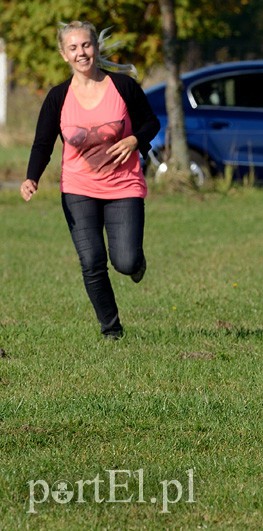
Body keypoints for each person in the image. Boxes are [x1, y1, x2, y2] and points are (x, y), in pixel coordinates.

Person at [19, 21, 160, 340]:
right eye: (73, 48)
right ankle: (112, 330)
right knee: (92, 260)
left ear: (95, 47)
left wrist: (135, 140)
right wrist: (32, 178)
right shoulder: (58, 97)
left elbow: (151, 123)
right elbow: (43, 142)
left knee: (124, 261)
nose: (81, 52)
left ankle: (136, 263)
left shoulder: (122, 87)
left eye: (85, 45)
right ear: (63, 54)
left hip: (123, 186)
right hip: (78, 189)